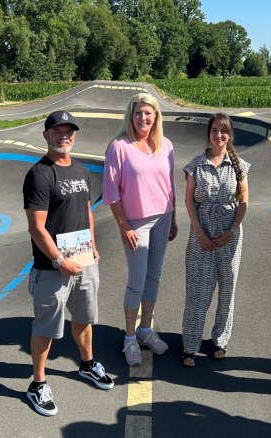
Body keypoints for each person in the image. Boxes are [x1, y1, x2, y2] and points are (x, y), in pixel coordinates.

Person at [22, 110, 114, 417]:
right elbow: (37, 227)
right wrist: (58, 260)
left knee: (84, 317)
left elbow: (87, 212)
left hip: (83, 259)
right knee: (46, 326)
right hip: (52, 267)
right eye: (57, 131)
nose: (64, 136)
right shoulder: (40, 174)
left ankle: (87, 364)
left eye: (69, 131)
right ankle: (37, 384)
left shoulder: (81, 171)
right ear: (46, 135)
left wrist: (93, 246)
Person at [103, 93, 178, 366]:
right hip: (136, 223)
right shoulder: (119, 147)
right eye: (138, 113)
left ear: (156, 116)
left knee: (154, 276)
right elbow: (111, 192)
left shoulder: (166, 145)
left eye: (148, 113)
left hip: (163, 218)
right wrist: (124, 226)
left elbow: (170, 185)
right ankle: (130, 337)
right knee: (137, 279)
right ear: (131, 115)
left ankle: (145, 330)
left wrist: (174, 218)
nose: (142, 118)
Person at [180, 113, 250, 368]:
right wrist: (199, 233)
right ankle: (190, 345)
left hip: (230, 238)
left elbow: (244, 199)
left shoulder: (239, 166)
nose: (218, 135)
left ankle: (220, 340)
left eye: (223, 131)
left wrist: (232, 229)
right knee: (197, 291)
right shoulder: (196, 165)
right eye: (214, 130)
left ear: (229, 135)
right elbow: (189, 201)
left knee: (227, 291)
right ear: (208, 134)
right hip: (202, 238)